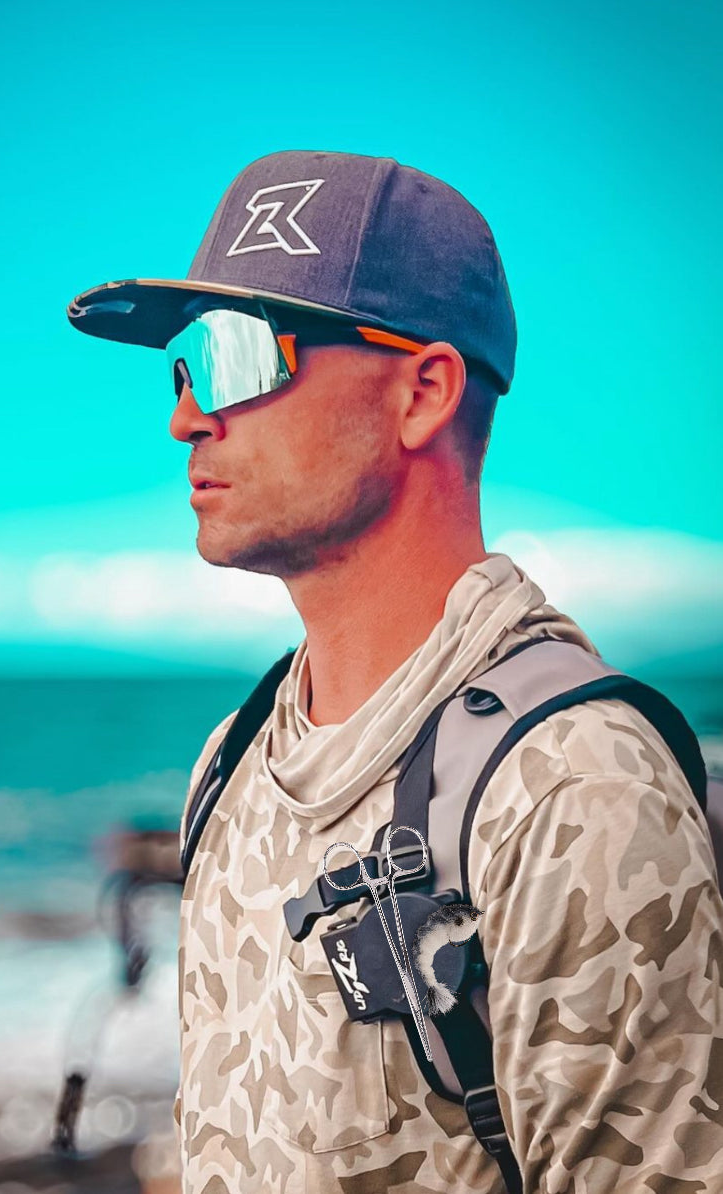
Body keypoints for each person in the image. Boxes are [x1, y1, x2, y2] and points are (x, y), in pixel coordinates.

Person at [67, 150, 723, 1193]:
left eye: (236, 354)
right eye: (183, 367)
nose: (186, 417)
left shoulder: (571, 784)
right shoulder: (232, 762)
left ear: (422, 393)